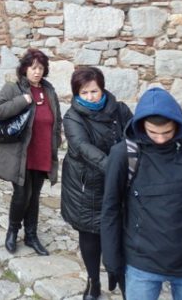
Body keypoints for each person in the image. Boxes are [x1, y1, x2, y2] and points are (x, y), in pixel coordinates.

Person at [101, 87, 182, 300]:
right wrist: (112, 261)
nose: (161, 139)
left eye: (167, 132)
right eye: (153, 133)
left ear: (178, 125)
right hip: (142, 263)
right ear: (140, 126)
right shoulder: (124, 154)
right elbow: (110, 210)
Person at [61, 67, 132, 300]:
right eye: (84, 92)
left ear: (102, 88)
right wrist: (116, 168)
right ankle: (93, 281)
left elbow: (134, 136)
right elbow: (83, 148)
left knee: (120, 234)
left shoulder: (120, 110)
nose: (91, 97)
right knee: (91, 234)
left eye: (94, 91)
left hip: (118, 183)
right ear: (77, 93)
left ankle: (123, 281)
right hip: (87, 186)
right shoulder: (73, 117)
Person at [0, 48, 62, 256]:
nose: (37, 72)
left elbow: (56, 120)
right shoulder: (13, 88)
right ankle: (12, 231)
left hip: (42, 151)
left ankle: (31, 235)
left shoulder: (49, 91)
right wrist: (22, 100)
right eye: (33, 68)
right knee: (22, 194)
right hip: (20, 153)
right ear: (24, 69)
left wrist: (56, 142)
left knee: (35, 196)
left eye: (41, 68)